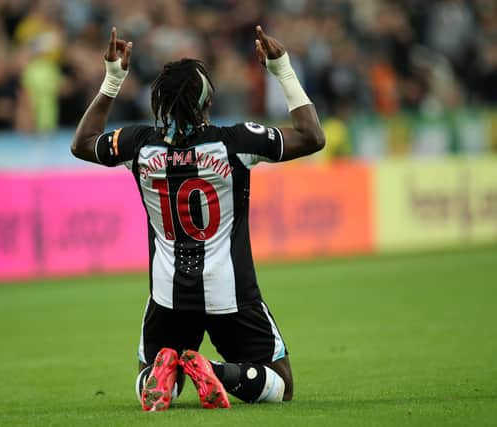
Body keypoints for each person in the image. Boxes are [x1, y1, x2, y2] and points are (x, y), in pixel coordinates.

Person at [71, 25, 325, 411]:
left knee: (153, 374)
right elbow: (312, 137)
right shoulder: (237, 143)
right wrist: (282, 69)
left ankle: (166, 378)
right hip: (231, 291)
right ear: (207, 103)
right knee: (282, 382)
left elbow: (82, 144)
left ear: (160, 104)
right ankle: (216, 372)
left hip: (168, 294)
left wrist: (112, 80)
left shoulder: (138, 145)